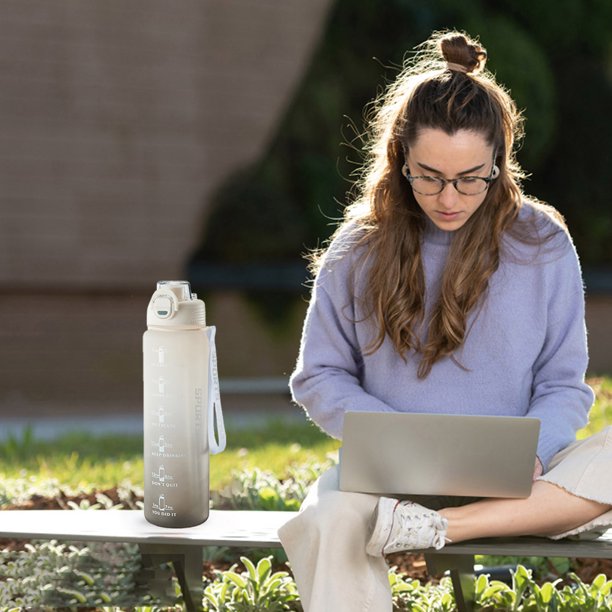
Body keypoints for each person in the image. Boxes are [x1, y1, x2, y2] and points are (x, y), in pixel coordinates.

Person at [277, 30, 612, 611]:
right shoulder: (358, 246)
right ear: (399, 159)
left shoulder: (542, 243)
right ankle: (413, 519)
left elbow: (563, 384)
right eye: (429, 176)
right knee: (329, 518)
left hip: (520, 480)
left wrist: (533, 453)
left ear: (498, 164)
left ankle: (443, 528)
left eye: (470, 178)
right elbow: (319, 375)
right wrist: (397, 441)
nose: (449, 198)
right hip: (387, 483)